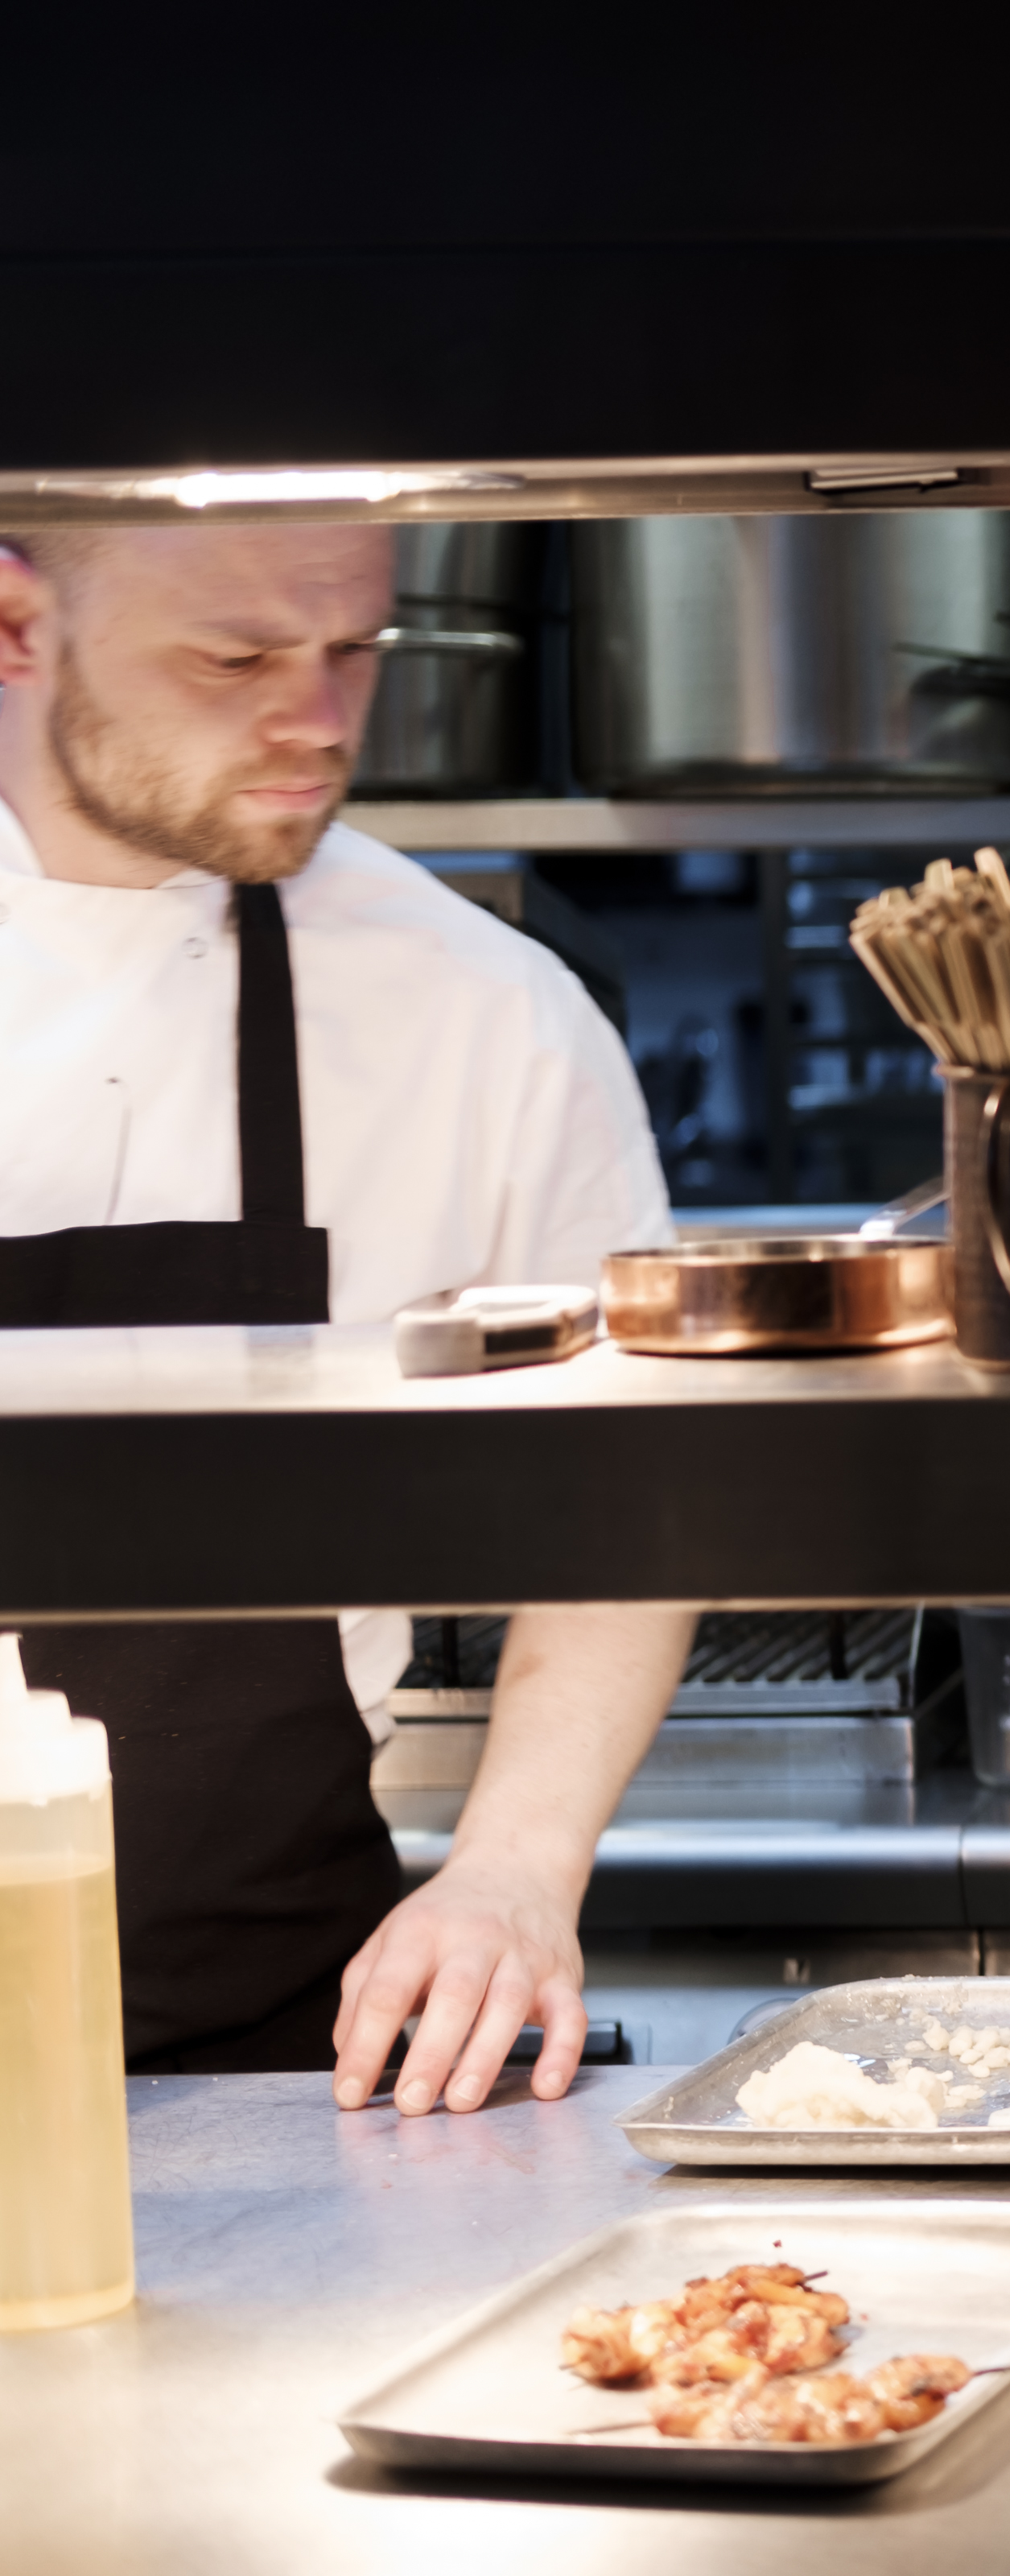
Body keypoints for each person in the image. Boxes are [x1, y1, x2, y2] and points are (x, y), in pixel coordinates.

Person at [0, 521, 696, 2110]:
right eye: (233, 658)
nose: (318, 716)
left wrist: (518, 1864)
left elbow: (636, 1488)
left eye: (357, 650)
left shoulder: (479, 1013)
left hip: (278, 2052)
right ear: (15, 626)